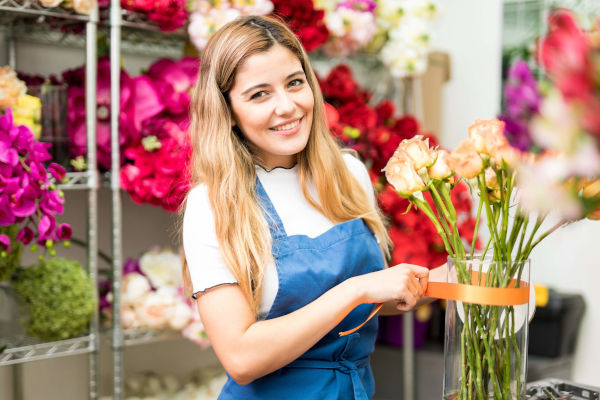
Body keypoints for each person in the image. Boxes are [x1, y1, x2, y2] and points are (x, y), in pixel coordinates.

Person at [181, 15, 446, 400]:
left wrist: (444, 281)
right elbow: (241, 357)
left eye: (294, 83)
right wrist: (356, 290)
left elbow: (370, 303)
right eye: (259, 94)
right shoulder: (214, 204)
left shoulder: (348, 173)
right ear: (228, 112)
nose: (287, 106)